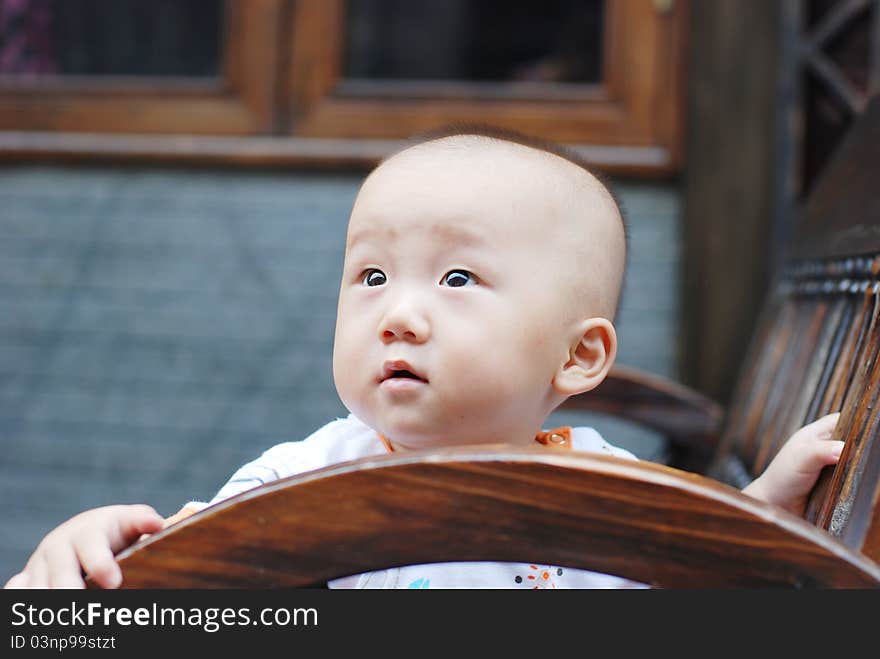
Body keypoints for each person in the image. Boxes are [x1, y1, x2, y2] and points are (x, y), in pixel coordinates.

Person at [4, 128, 844, 589]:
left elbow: (694, 568)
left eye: (456, 276)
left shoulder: (603, 486)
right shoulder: (303, 475)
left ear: (579, 354)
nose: (398, 314)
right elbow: (187, 574)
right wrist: (84, 558)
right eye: (370, 274)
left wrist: (763, 507)